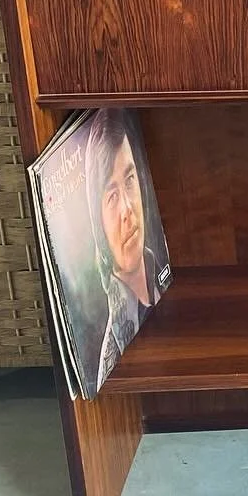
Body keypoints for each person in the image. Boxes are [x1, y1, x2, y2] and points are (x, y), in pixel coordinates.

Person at [85, 110, 163, 388]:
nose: (127, 210)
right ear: (98, 223)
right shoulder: (113, 357)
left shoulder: (161, 278)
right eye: (112, 197)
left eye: (130, 181)